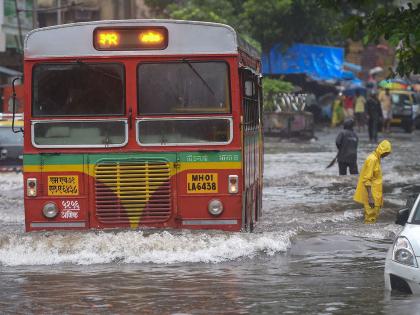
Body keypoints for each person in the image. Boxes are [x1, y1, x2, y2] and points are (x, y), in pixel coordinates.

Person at [353, 140, 392, 224]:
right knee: (370, 218)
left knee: (373, 218)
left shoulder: (377, 159)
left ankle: (369, 236)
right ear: (382, 150)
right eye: (387, 152)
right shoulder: (372, 159)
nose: (387, 155)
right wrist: (370, 197)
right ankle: (367, 236)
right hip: (372, 196)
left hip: (376, 195)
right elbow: (367, 179)